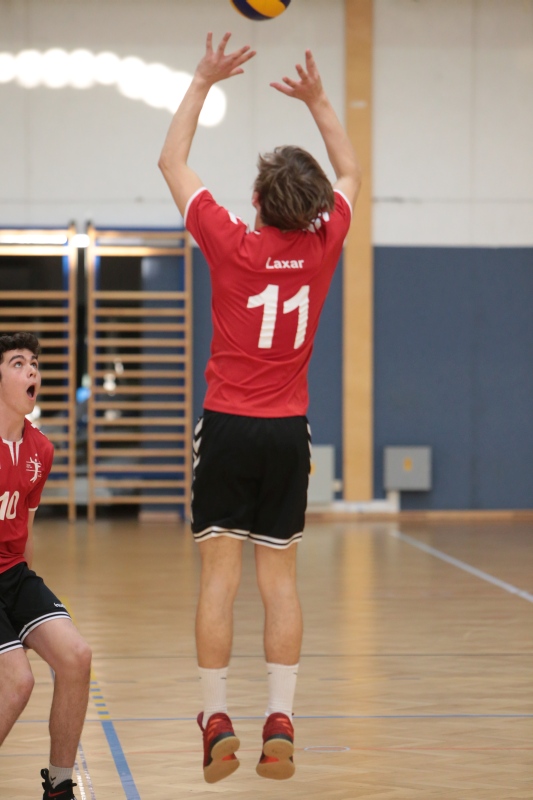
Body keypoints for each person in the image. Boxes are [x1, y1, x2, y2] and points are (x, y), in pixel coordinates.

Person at [159, 32, 361, 783]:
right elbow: (351, 170)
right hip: (285, 433)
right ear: (314, 209)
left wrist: (203, 79)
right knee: (281, 581)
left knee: (219, 580)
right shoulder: (324, 244)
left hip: (227, 427)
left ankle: (216, 717)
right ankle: (281, 715)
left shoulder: (231, 243)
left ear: (254, 201)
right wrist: (318, 100)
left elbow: (172, 162)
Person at [0, 332, 92, 800]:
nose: (31, 370)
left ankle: (58, 787)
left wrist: (24, 615)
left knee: (76, 657)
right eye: (17, 363)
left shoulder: (41, 451)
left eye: (34, 363)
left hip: (13, 575)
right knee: (18, 681)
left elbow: (26, 533)